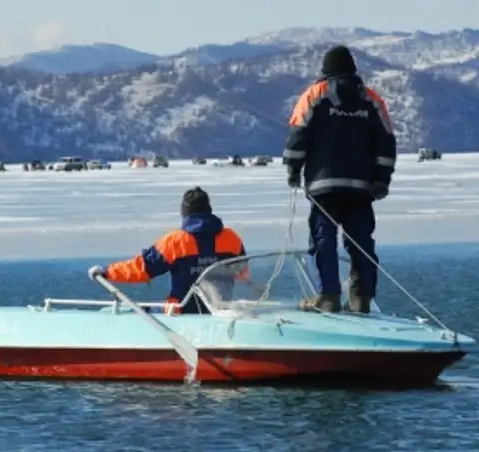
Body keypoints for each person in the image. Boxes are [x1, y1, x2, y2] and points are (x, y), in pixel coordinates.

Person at [283, 45, 397, 314]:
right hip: (361, 188)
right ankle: (361, 298)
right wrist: (382, 180)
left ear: (325, 70)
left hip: (324, 187)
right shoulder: (372, 100)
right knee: (361, 241)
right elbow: (386, 142)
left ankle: (328, 296)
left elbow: (298, 136)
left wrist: (293, 170)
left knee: (323, 239)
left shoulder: (313, 96)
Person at [87, 187, 249, 314]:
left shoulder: (175, 241)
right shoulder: (231, 238)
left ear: (185, 212)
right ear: (209, 209)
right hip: (219, 311)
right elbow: (242, 273)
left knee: (146, 311)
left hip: (180, 312)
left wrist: (108, 272)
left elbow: (142, 269)